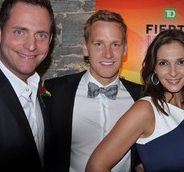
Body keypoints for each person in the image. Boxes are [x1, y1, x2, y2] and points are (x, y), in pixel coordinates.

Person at [86, 29, 184, 172]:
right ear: (154, 68)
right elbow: (95, 167)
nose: (173, 72)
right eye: (164, 63)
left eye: (181, 62)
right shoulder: (145, 109)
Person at [44, 10, 144, 172]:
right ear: (85, 48)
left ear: (125, 49)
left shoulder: (142, 96)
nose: (108, 54)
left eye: (115, 44)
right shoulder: (54, 92)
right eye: (99, 44)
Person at [0, 0, 55, 172]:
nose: (31, 45)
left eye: (41, 35)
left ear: (50, 40)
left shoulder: (38, 88)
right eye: (20, 32)